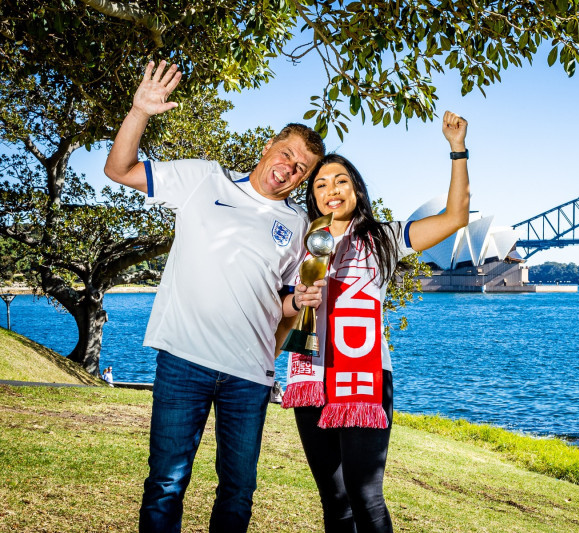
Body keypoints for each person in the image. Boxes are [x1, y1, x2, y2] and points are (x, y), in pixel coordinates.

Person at [104, 60, 326, 533]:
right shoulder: (205, 178)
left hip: (250, 375)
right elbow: (118, 169)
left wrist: (302, 300)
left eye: (301, 168)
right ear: (268, 146)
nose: (288, 168)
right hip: (184, 361)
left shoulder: (300, 226)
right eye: (286, 153)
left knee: (239, 490)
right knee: (165, 483)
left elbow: (282, 302)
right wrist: (139, 111)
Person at [281, 111, 470, 532]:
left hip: (364, 377)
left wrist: (457, 149)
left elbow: (456, 218)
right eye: (321, 183)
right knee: (334, 499)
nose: (331, 190)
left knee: (365, 496)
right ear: (312, 195)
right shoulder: (302, 239)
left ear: (357, 189)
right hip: (309, 374)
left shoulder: (385, 237)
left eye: (341, 181)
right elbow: (277, 301)